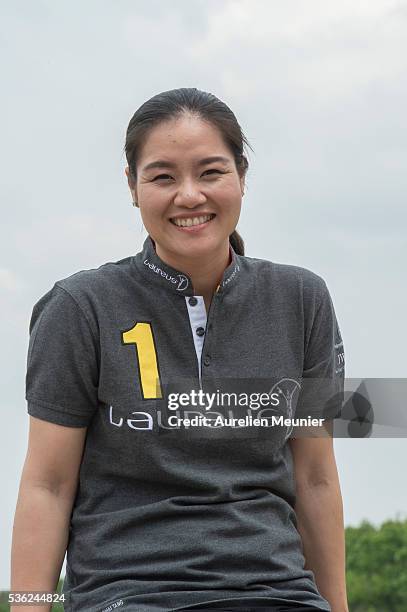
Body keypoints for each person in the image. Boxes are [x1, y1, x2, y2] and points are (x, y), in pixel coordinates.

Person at [11, 88, 349, 612]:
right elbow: (47, 485)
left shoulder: (303, 299)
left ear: (242, 175)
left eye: (211, 172)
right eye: (163, 176)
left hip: (276, 592)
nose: (189, 196)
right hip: (129, 594)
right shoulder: (78, 307)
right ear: (132, 185)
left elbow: (316, 476)